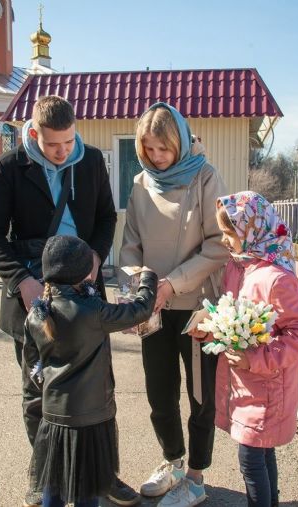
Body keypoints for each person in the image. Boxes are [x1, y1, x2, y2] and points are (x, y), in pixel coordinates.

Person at [0, 95, 127, 507]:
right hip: (32, 293)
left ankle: (103, 475)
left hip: (85, 289)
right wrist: (21, 280)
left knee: (99, 388)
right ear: (32, 134)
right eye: (52, 145)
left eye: (68, 142)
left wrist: (97, 254)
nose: (63, 152)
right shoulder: (9, 167)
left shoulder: (92, 161)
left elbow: (106, 218)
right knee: (37, 389)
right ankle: (45, 475)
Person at [119, 102, 229, 506]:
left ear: (180, 141)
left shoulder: (204, 176)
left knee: (200, 396)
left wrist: (173, 284)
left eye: (163, 149)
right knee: (159, 393)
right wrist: (137, 291)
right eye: (148, 150)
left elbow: (219, 245)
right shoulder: (140, 183)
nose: (157, 157)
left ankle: (197, 478)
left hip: (197, 306)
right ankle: (174, 463)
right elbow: (129, 245)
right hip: (154, 308)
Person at [190, 191, 298, 507]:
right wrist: (211, 330)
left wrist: (257, 358)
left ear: (253, 230)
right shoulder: (239, 267)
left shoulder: (275, 278)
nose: (223, 239)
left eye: (229, 232)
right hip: (247, 384)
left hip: (268, 386)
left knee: (251, 458)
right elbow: (235, 315)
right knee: (261, 453)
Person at [24, 235, 157, 507]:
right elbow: (140, 310)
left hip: (54, 416)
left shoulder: (37, 313)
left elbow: (31, 363)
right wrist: (148, 280)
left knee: (54, 482)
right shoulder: (93, 310)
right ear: (85, 272)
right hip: (91, 416)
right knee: (87, 486)